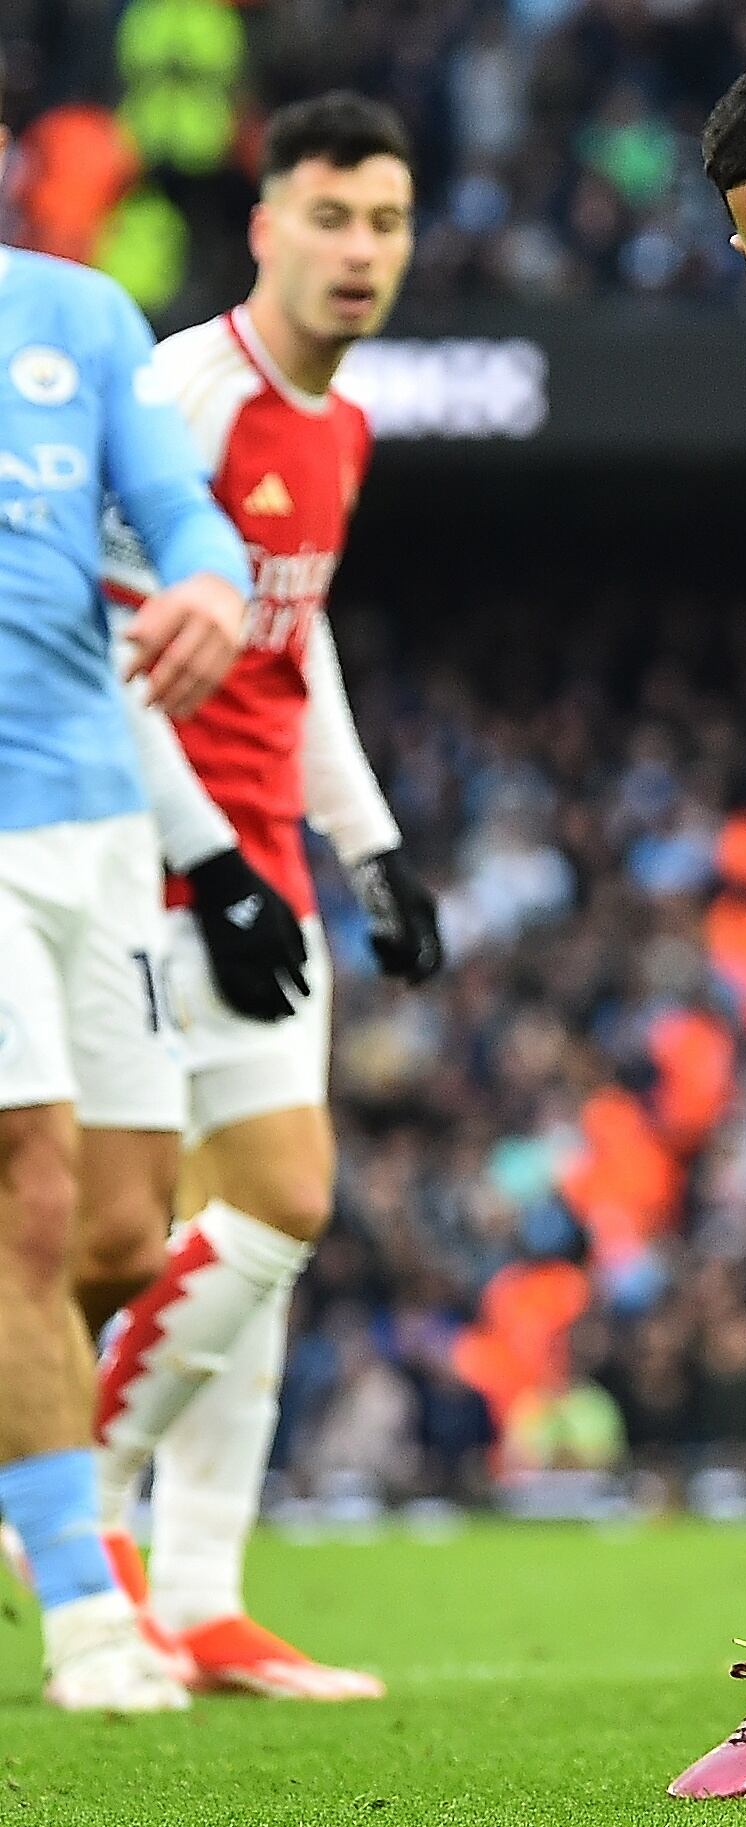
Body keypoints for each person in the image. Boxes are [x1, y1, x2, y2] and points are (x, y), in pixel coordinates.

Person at [87, 90, 442, 1703]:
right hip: (152, 863)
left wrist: (369, 844)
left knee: (253, 1232)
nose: (359, 250)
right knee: (263, 1202)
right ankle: (71, 1497)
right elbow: (98, 642)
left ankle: (201, 1595)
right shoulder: (186, 393)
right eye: (330, 217)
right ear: (265, 227)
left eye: (386, 222)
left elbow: (299, 648)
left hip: (263, 862)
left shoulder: (338, 424)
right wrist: (213, 858)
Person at [0, 103, 253, 1713]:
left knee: (118, 1228)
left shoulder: (77, 315)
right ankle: (86, 1604)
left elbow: (176, 504)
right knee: (27, 1200)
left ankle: (20, 1448)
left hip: (99, 822)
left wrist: (212, 575)